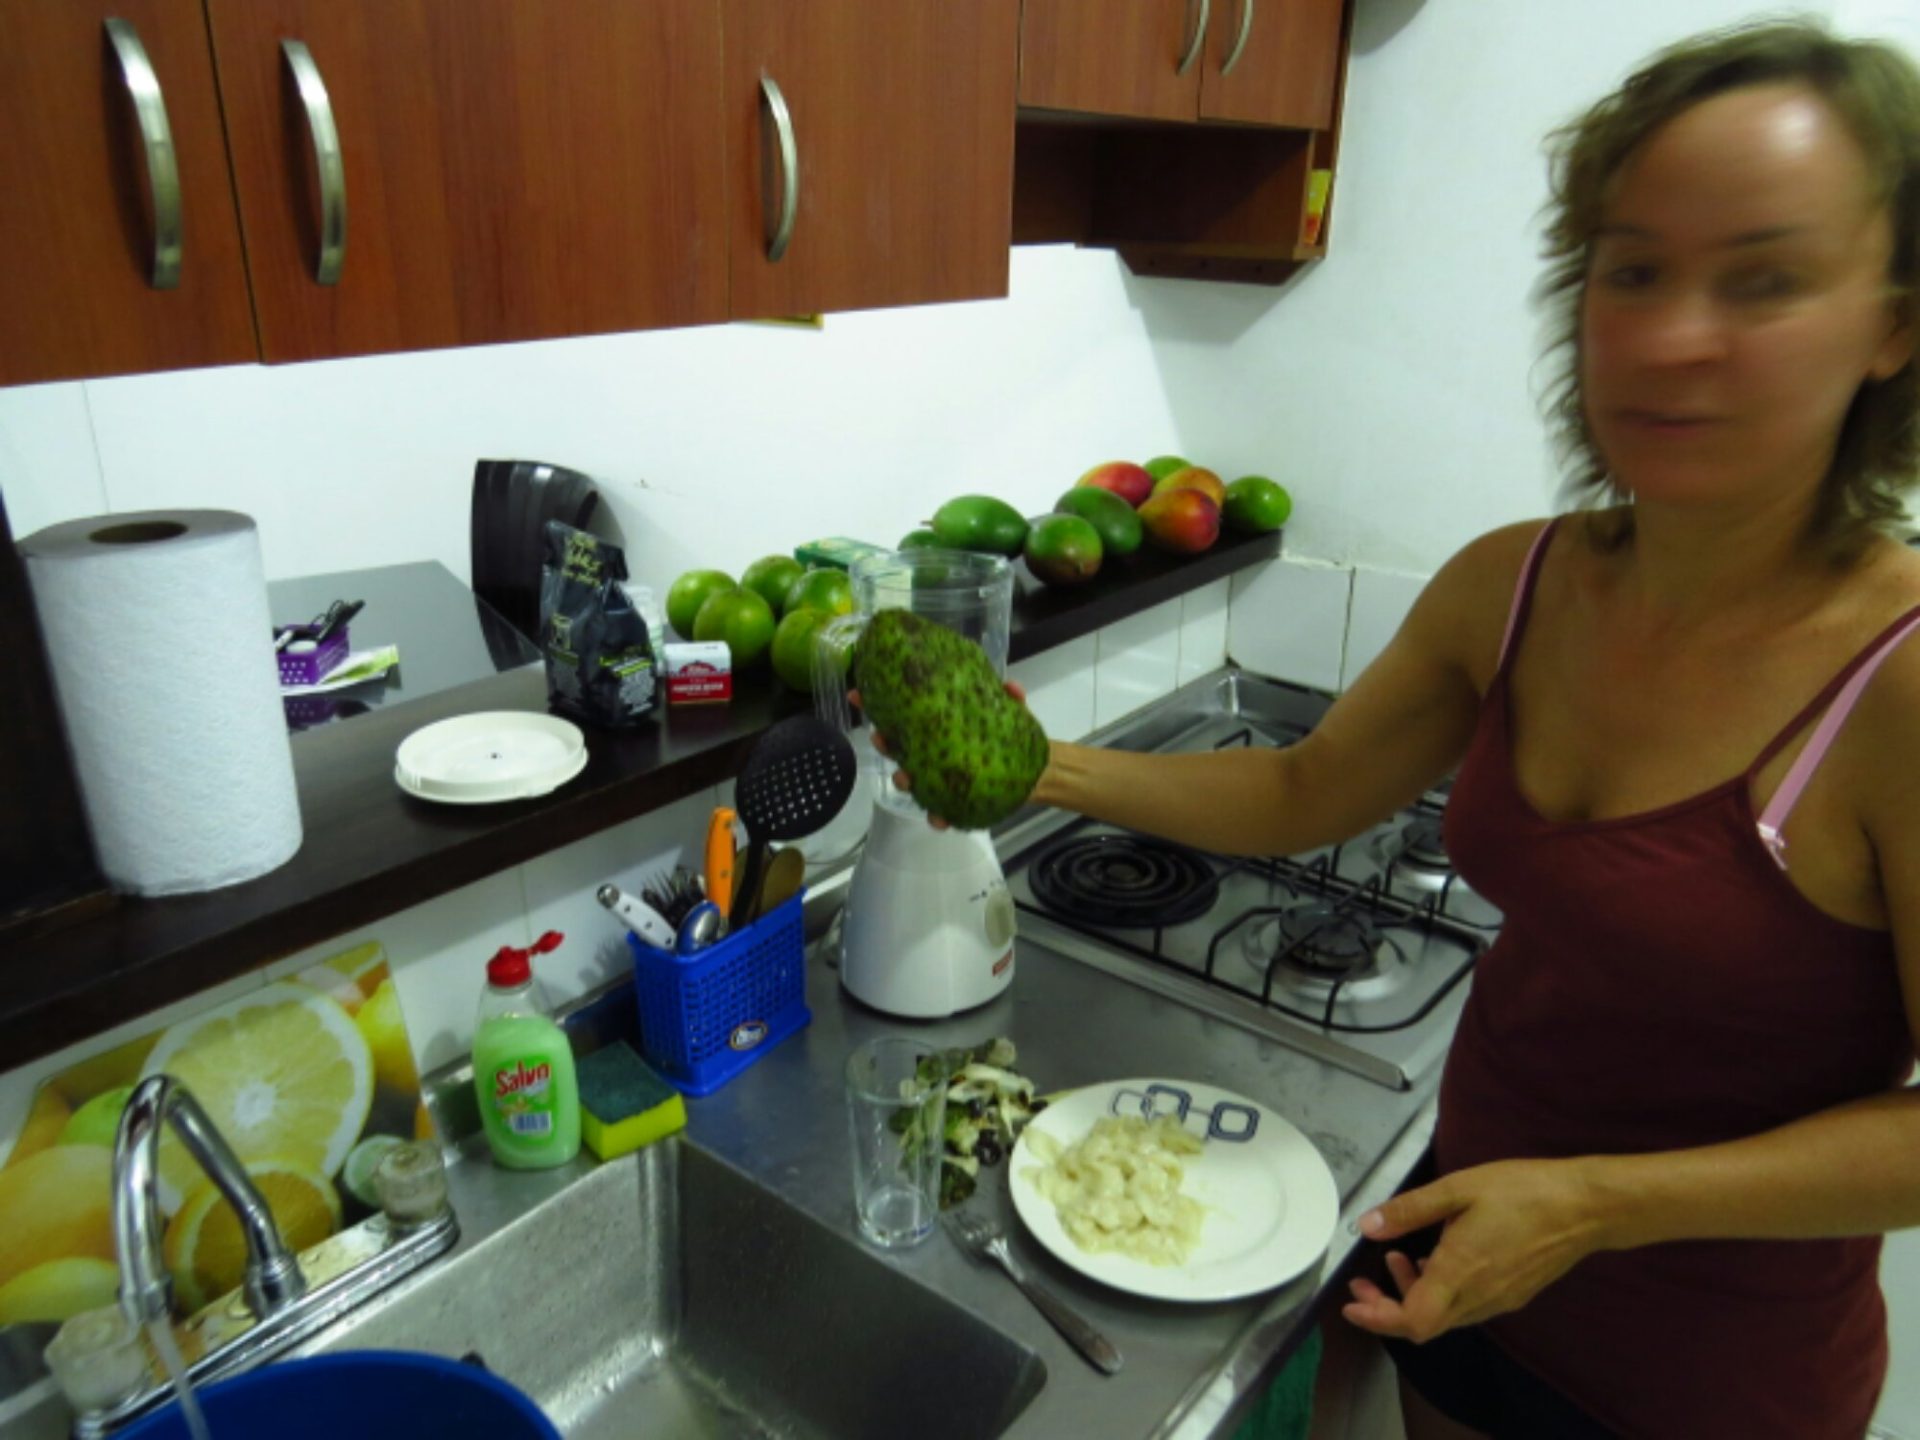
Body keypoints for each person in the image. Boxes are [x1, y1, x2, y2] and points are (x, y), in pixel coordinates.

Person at [865, 18, 1920, 1440]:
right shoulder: (1515, 585)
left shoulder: (1894, 681)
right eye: (1633, 271)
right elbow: (1306, 790)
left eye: (1766, 279)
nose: (1674, 338)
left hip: (1718, 1384)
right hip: (1460, 1282)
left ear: (1894, 324)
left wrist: (1595, 1206)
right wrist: (1035, 767)